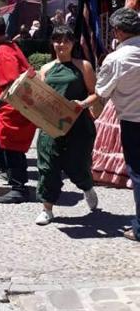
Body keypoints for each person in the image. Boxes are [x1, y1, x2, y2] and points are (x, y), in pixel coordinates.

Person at [35, 25, 98, 225]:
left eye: (66, 40)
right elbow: (40, 96)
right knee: (48, 167)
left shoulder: (83, 66)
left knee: (78, 165)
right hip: (51, 126)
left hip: (78, 125)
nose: (61, 45)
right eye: (57, 40)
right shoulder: (45, 69)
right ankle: (47, 208)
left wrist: (83, 104)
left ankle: (87, 187)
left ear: (73, 43)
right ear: (52, 43)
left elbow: (95, 92)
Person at [94, 8, 140, 243]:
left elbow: (102, 91)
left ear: (119, 31)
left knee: (139, 174)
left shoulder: (116, 58)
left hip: (134, 122)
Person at [0, 15, 36, 204]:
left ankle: (19, 189)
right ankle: (16, 183)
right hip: (14, 107)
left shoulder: (2, 52)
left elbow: (13, 83)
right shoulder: (9, 47)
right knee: (10, 147)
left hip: (12, 110)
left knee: (12, 148)